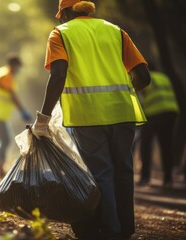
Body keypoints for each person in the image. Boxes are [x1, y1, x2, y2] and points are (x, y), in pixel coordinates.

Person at [31, 1, 150, 239]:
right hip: (123, 113)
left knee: (102, 173)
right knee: (124, 171)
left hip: (88, 116)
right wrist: (120, 95)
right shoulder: (116, 31)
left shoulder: (60, 34)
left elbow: (58, 76)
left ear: (65, 12)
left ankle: (111, 230)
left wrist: (43, 119)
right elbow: (144, 77)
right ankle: (126, 228)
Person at [138, 66, 180, 188]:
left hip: (155, 112)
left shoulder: (145, 77)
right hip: (171, 111)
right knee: (166, 145)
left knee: (145, 144)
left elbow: (141, 97)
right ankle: (168, 179)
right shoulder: (164, 77)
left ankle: (145, 177)